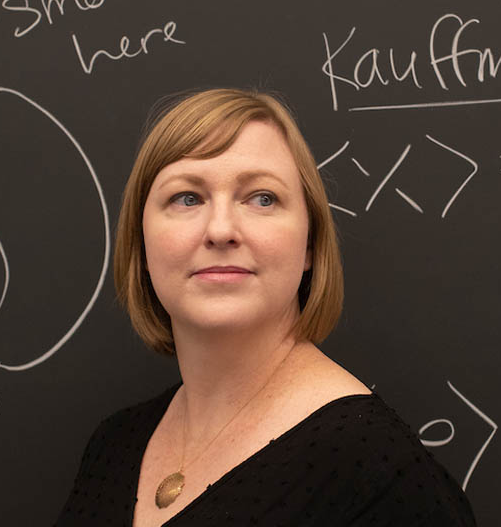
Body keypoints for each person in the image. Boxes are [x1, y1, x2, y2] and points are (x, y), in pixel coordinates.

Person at [56, 88, 476, 526]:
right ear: (141, 243)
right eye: (187, 198)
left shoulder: (380, 474)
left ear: (310, 243)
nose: (220, 230)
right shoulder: (115, 444)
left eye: (262, 198)